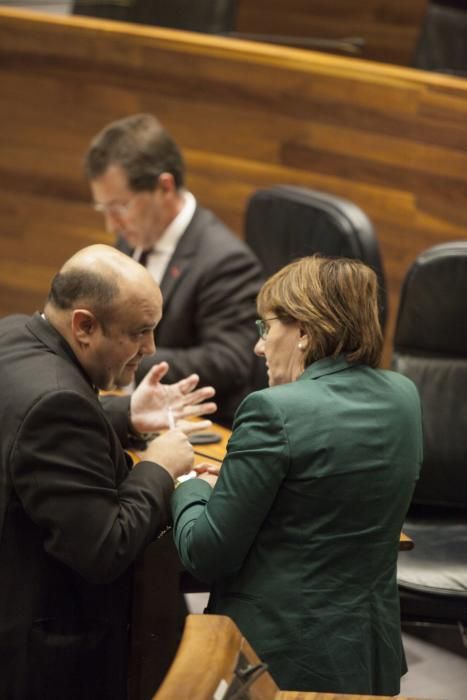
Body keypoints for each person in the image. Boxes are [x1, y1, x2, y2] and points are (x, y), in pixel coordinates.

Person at [171, 255, 423, 695]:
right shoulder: (404, 396)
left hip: (277, 659)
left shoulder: (273, 410)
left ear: (304, 332)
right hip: (366, 652)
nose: (259, 346)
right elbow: (324, 492)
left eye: (265, 328)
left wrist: (188, 485)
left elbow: (206, 554)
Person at [0, 244, 216, 700]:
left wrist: (125, 414)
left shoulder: (16, 335)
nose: (151, 348)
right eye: (140, 332)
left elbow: (38, 422)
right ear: (84, 325)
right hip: (47, 651)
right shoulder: (58, 406)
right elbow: (105, 547)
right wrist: (159, 464)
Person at [84, 113, 264, 426]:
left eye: (120, 207)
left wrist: (118, 358)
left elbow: (228, 362)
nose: (111, 224)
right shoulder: (132, 239)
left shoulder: (226, 261)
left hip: (199, 426)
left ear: (164, 187)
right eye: (105, 210)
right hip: (132, 412)